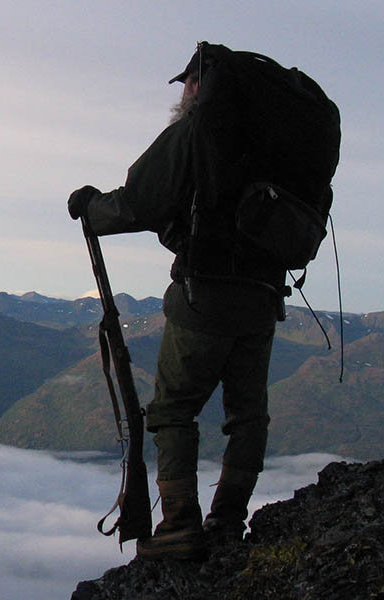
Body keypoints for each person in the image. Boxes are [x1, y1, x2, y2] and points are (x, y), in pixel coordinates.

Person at [67, 46, 285, 560]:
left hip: (204, 293)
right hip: (264, 295)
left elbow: (141, 200)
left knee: (172, 410)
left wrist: (90, 208)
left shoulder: (196, 133)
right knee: (248, 413)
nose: (185, 93)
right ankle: (229, 520)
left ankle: (180, 526)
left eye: (190, 83)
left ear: (201, 87)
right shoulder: (274, 143)